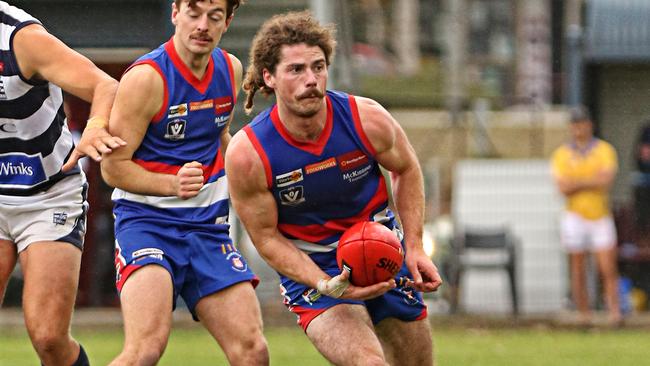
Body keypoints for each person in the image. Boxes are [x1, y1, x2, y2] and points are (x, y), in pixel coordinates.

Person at [226, 11, 442, 366]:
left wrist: (415, 246)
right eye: (296, 70)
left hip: (383, 250)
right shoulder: (249, 153)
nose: (311, 79)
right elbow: (266, 238)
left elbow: (406, 169)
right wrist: (323, 281)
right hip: (315, 267)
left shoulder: (366, 118)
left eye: (318, 66)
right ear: (269, 77)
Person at [100, 1, 269, 365]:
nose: (202, 25)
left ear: (228, 21)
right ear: (175, 13)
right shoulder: (147, 78)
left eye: (214, 16)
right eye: (193, 13)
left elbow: (220, 134)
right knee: (145, 349)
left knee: (253, 351)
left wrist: (251, 175)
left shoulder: (230, 68)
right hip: (147, 223)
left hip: (208, 227)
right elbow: (112, 169)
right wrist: (171, 184)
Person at [0, 1, 124, 365]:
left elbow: (106, 86)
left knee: (49, 337)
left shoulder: (22, 38)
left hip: (48, 194)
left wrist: (96, 128)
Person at [551, 105, 622, 326]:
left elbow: (605, 181)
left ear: (589, 125)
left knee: (607, 266)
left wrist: (577, 182)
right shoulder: (562, 154)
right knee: (578, 266)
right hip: (575, 215)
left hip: (599, 214)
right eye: (574, 125)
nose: (578, 129)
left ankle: (614, 311)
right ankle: (584, 313)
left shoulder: (604, 150)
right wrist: (590, 181)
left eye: (581, 124)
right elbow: (563, 188)